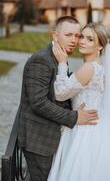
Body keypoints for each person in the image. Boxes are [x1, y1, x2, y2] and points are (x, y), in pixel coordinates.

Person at [47, 22, 110, 181]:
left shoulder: (89, 68)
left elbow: (60, 93)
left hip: (84, 128)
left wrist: (61, 62)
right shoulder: (99, 66)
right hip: (96, 122)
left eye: (90, 39)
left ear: (100, 46)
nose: (82, 41)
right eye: (82, 36)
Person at [17, 16, 98, 181]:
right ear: (55, 35)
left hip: (51, 136)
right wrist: (74, 117)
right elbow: (38, 103)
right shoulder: (41, 60)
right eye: (69, 35)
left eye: (77, 35)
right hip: (40, 141)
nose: (74, 40)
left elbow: (59, 94)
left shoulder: (60, 57)